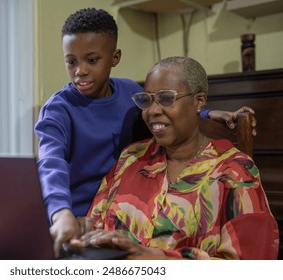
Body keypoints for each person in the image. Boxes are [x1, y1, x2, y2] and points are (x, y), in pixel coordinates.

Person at [34, 7, 257, 257]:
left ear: (114, 58)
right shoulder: (62, 113)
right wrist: (61, 212)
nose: (80, 71)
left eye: (92, 60)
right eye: (71, 61)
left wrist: (208, 114)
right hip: (67, 215)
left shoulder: (128, 91)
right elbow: (50, 163)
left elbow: (169, 106)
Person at [70, 56, 279, 260]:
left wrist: (152, 257)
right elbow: (95, 225)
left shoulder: (234, 171)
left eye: (166, 98)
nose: (152, 111)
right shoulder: (131, 158)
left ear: (199, 101)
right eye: (147, 100)